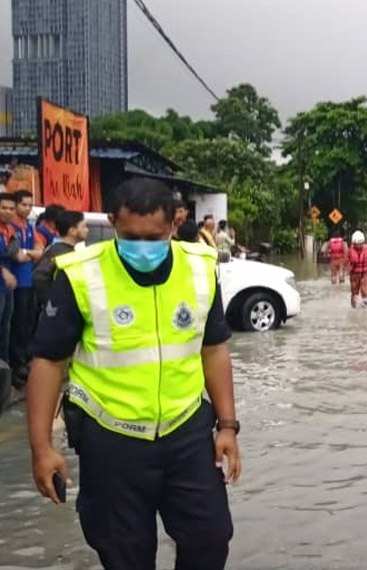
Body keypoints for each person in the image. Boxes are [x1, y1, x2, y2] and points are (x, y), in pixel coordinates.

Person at [26, 177, 240, 570]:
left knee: (210, 539)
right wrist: (41, 448)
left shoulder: (200, 269)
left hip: (186, 433)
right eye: (131, 236)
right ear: (112, 222)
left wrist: (227, 426)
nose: (143, 246)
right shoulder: (80, 275)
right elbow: (48, 362)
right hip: (111, 439)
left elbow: (214, 349)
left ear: (175, 225)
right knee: (124, 554)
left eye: (154, 236)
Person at [10, 190, 43, 383]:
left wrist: (28, 252)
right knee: (16, 325)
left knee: (27, 324)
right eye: (24, 205)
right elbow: (18, 256)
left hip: (29, 280)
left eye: (30, 205)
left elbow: (40, 249)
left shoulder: (29, 226)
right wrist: (31, 253)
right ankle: (16, 367)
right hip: (16, 282)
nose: (28, 209)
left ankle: (22, 363)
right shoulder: (10, 227)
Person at [33, 210, 88, 306]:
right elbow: (39, 277)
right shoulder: (59, 251)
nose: (87, 230)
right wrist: (51, 301)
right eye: (83, 226)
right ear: (72, 231)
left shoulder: (68, 250)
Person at [0, 193, 20, 363]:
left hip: (7, 287)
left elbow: (19, 255)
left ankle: (4, 369)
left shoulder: (11, 231)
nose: (8, 212)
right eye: (4, 208)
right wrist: (3, 271)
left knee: (5, 326)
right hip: (3, 279)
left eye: (11, 209)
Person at [348, 231, 367, 308]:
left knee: (365, 290)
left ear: (362, 242)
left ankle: (365, 306)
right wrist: (346, 271)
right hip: (354, 274)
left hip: (365, 273)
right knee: (354, 292)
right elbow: (346, 261)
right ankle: (354, 307)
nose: (358, 245)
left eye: (359, 243)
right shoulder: (350, 251)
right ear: (353, 243)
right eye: (356, 243)